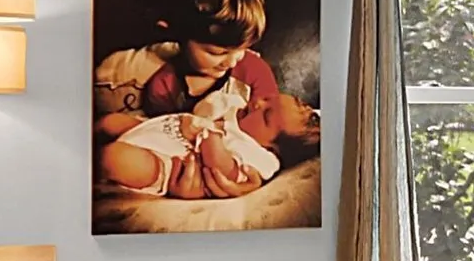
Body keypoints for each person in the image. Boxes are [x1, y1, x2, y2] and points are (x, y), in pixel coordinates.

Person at [94, 0, 279, 168]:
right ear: (178, 35)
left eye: (242, 49)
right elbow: (164, 136)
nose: (232, 61)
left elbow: (280, 131)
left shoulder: (255, 72)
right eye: (218, 53)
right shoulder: (164, 85)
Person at [100, 86, 321, 200]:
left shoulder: (259, 156)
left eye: (266, 114)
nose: (257, 103)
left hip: (167, 161)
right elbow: (205, 107)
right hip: (158, 127)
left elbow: (225, 171)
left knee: (113, 158)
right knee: (109, 122)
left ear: (270, 148)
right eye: (267, 99)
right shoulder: (236, 106)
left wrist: (211, 136)